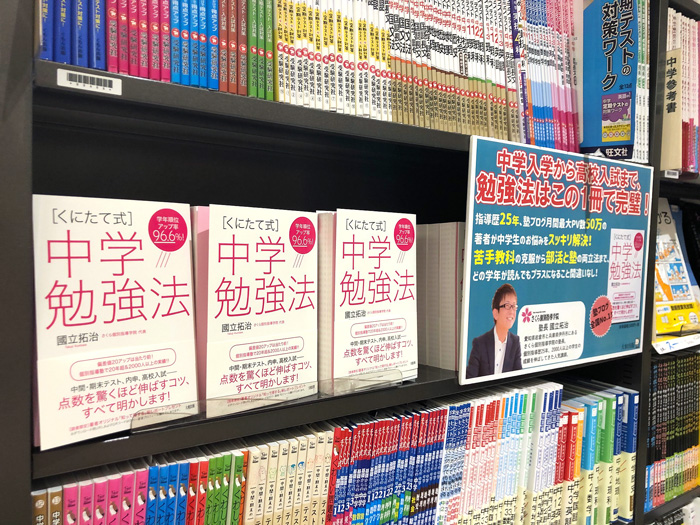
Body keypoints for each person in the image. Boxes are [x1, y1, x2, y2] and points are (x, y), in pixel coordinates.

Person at [465, 283, 522, 379]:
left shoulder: (515, 342)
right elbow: (470, 378)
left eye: (514, 306)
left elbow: (518, 378)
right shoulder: (480, 343)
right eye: (507, 305)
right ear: (495, 313)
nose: (512, 311)